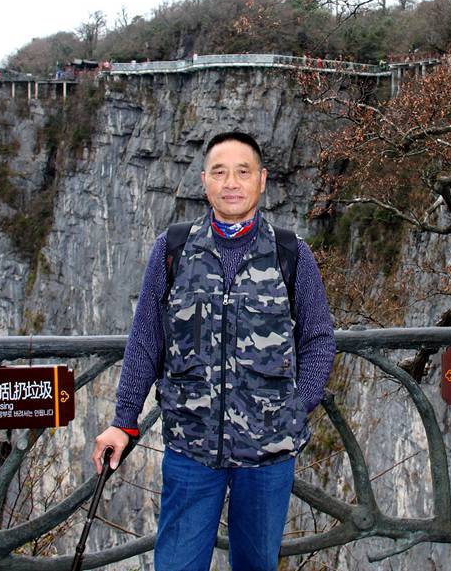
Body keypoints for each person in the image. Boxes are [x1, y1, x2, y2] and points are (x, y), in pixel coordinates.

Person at [92, 131, 336, 571]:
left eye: (243, 172)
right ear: (204, 180)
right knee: (178, 565)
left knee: (257, 564)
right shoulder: (173, 249)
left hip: (268, 451)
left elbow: (318, 336)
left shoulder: (290, 253)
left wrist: (299, 406)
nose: (231, 183)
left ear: (262, 180)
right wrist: (123, 422)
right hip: (191, 449)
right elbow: (146, 337)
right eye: (220, 172)